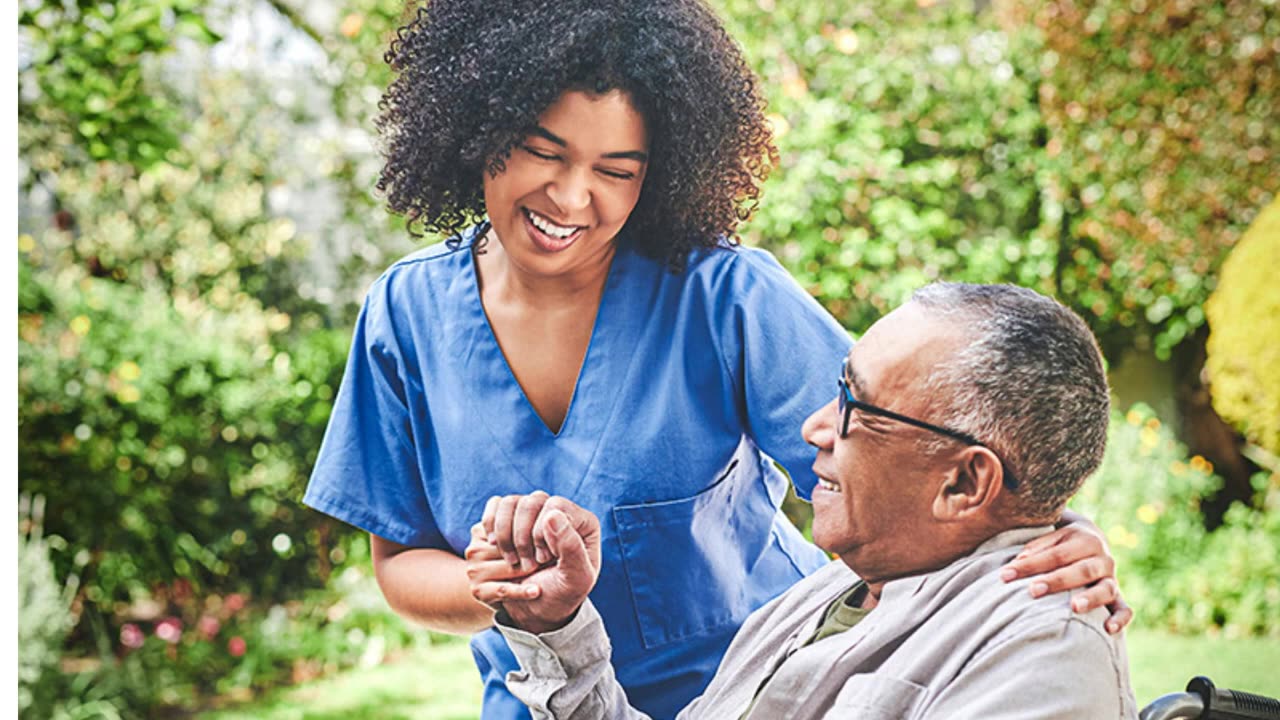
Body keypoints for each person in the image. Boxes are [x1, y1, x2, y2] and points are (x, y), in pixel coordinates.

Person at [302, 1, 1130, 718]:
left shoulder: (723, 297)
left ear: (657, 177)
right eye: (543, 151)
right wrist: (503, 588)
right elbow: (402, 561)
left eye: (615, 171)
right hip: (550, 696)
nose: (571, 197)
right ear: (476, 127)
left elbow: (909, 466)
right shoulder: (404, 315)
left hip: (770, 690)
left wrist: (1051, 537)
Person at [472, 282, 1139, 720]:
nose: (814, 427)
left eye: (858, 405)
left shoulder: (1042, 659)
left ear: (963, 483)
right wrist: (555, 627)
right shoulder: (832, 593)